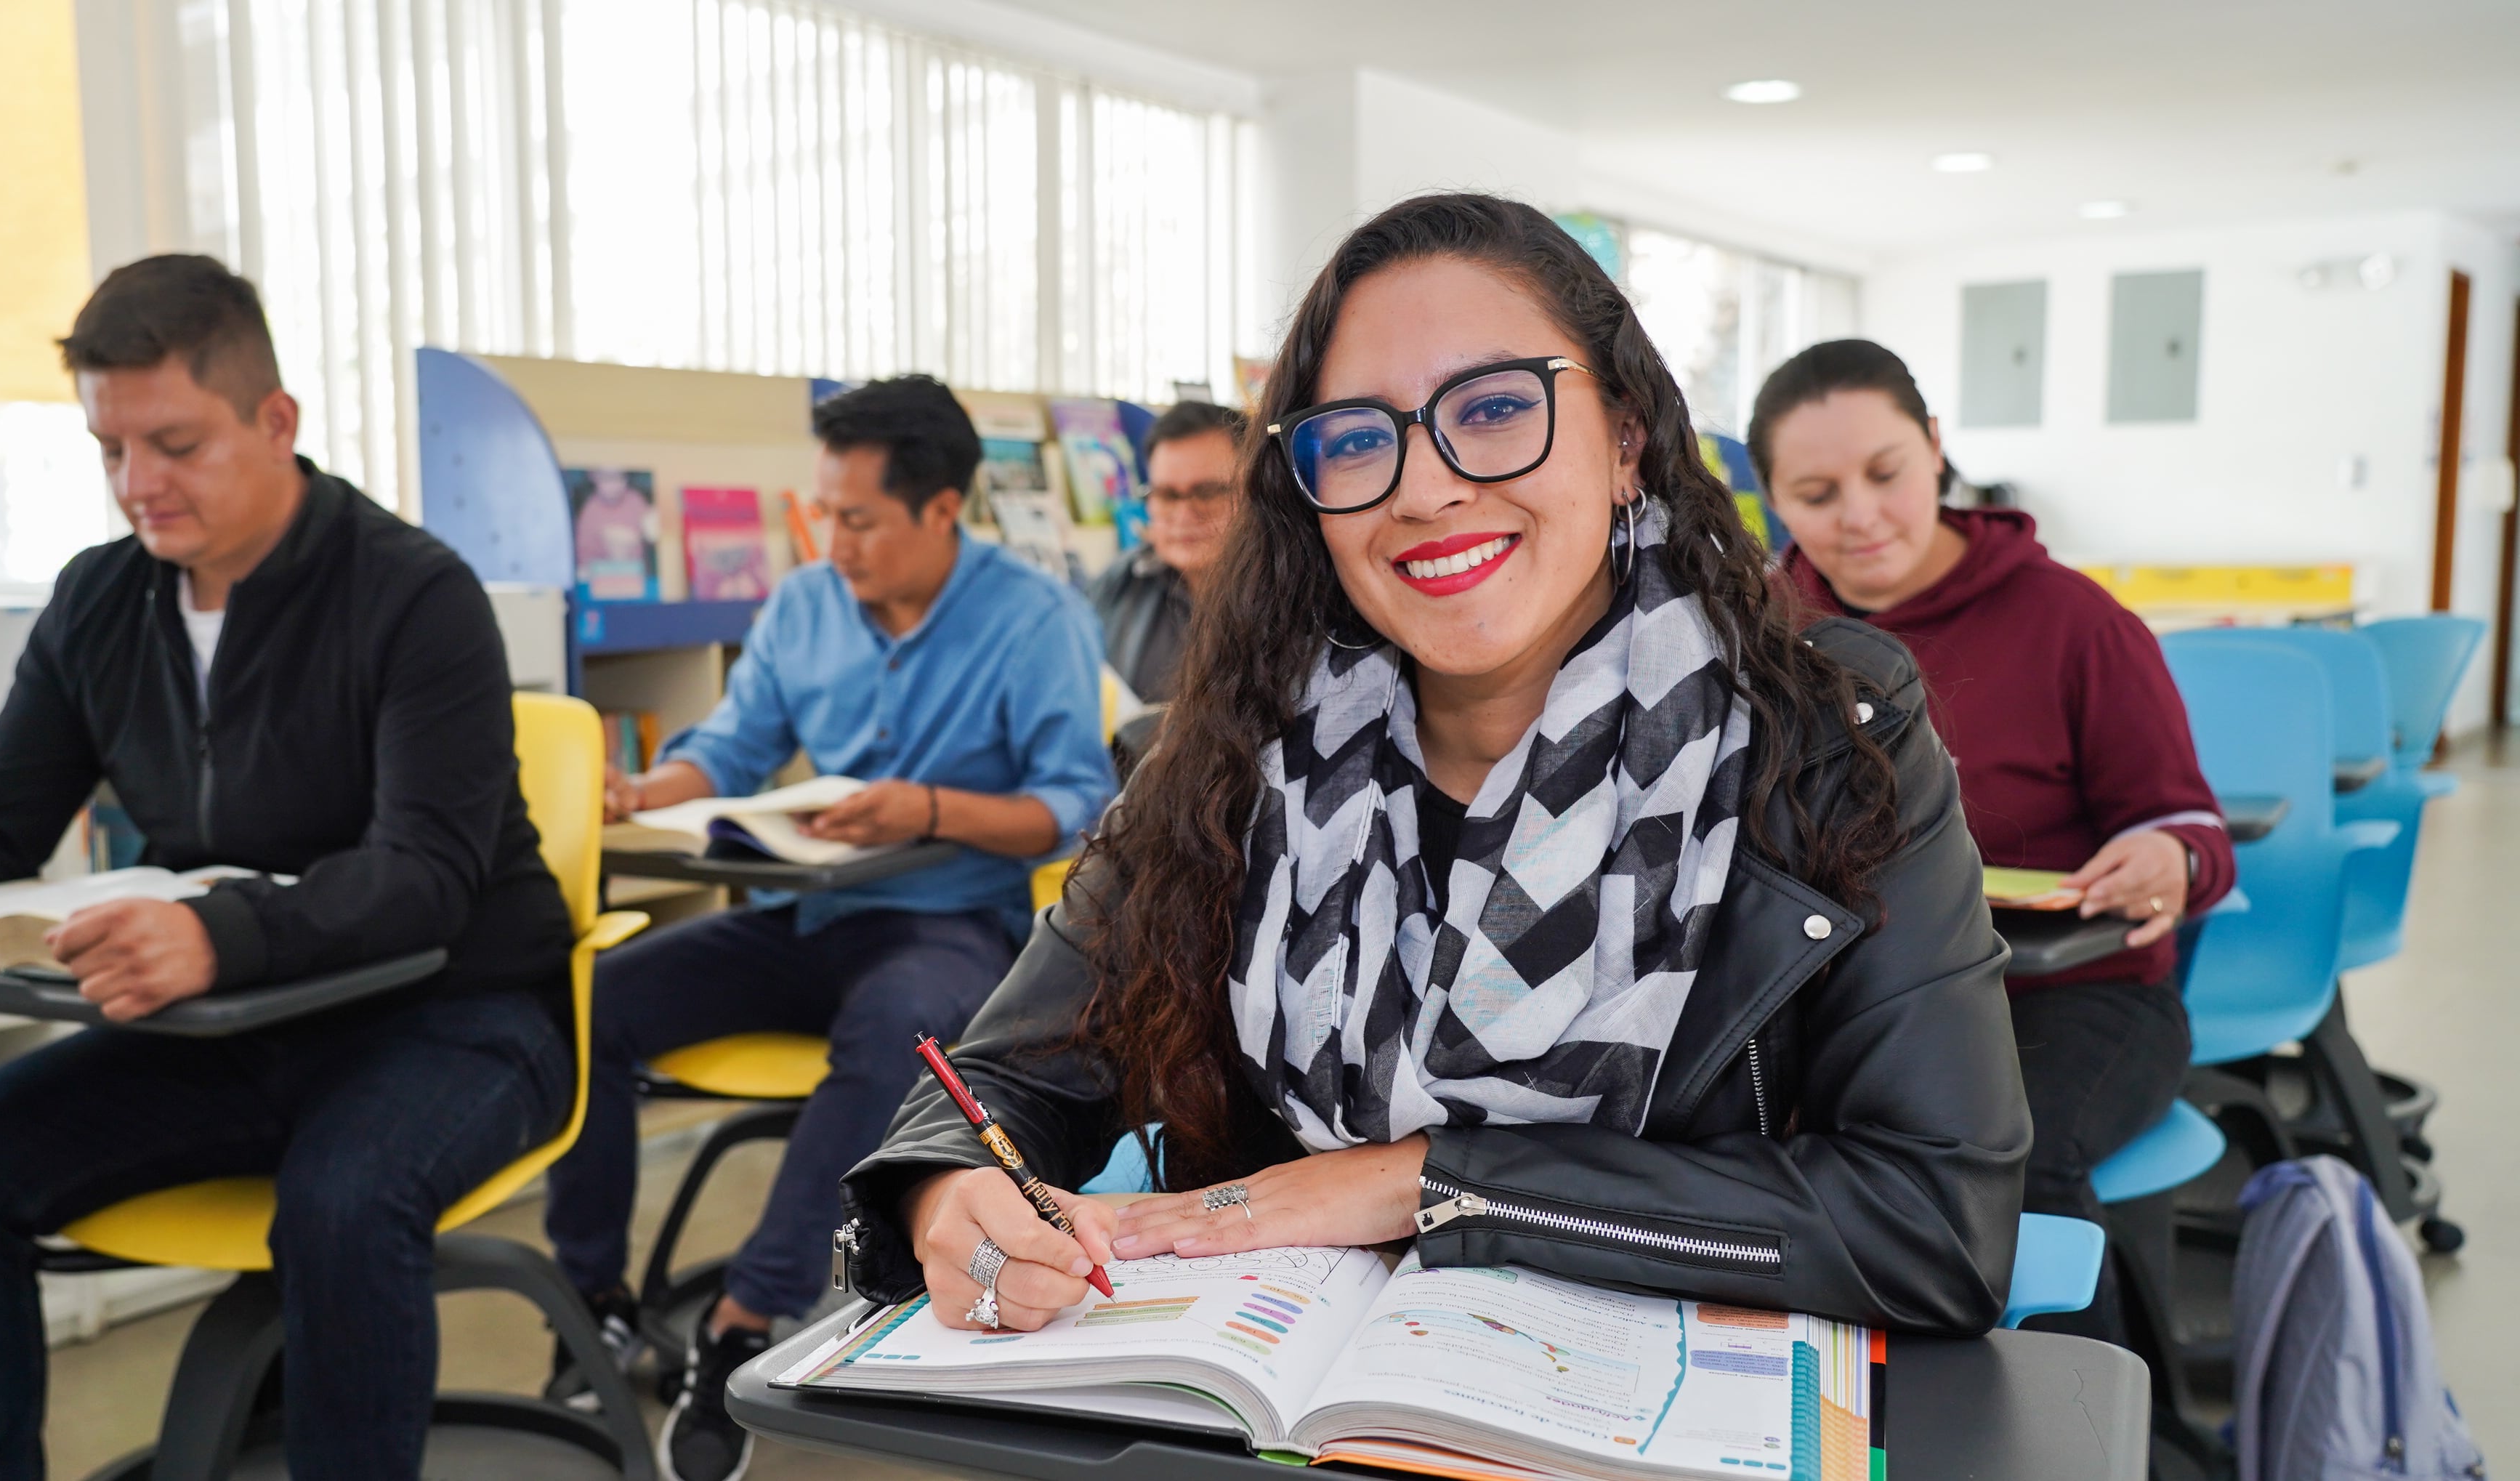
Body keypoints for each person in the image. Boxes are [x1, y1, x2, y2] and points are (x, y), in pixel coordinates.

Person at [832, 194, 2030, 1343]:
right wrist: (946, 1195)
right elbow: (998, 1073)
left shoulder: (1829, 738)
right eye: (1355, 438)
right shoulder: (1234, 752)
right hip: (1281, 1394)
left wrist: (1429, 1183)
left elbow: (1931, 1223)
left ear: (1625, 438)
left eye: (1496, 407)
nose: (1424, 486)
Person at [0, 255, 573, 1481]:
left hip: (453, 1016)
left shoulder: (415, 592)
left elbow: (427, 873)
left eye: (175, 443)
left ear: (277, 421)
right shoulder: (101, 599)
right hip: (230, 1027)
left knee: (340, 1199)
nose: (137, 486)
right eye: (110, 449)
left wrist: (220, 928)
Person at [545, 374, 1113, 1481]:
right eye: (826, 513)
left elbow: (1073, 803)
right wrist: (647, 789)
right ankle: (591, 1300)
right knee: (591, 1003)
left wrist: (929, 808)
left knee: (897, 1030)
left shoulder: (1036, 617)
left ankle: (743, 1323)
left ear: (941, 508)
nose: (834, 540)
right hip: (807, 917)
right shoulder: (802, 605)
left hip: (947, 926)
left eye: (858, 518)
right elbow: (734, 749)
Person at [1748, 337, 2232, 1346]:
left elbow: (2189, 824)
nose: (1862, 515)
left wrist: (2172, 857)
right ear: (1772, 500)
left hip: (2076, 998)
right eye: (1817, 491)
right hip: (1854, 1004)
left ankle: (2080, 1433)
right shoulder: (1757, 635)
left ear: (1935, 448)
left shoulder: (2076, 623)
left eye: (1886, 473)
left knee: (2016, 1160)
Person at [1087, 400, 1246, 706]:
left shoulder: (1297, 597)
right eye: (1167, 495)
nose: (1184, 514)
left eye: (1208, 491)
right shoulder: (1116, 587)